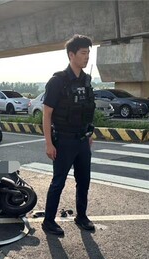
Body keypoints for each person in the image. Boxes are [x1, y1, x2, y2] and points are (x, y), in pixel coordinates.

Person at [41, 34, 96, 236]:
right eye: (83, 53)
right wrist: (49, 143)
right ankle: (48, 221)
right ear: (71, 55)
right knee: (59, 182)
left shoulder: (86, 80)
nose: (87, 57)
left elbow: (88, 109)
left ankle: (81, 216)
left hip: (82, 140)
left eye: (88, 53)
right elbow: (47, 114)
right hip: (63, 140)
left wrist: (89, 133)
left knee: (84, 181)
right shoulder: (58, 81)